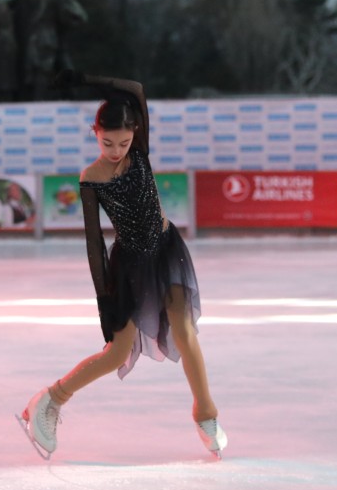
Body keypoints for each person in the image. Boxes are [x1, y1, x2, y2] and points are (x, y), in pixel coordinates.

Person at [17, 72, 227, 459]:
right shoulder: (90, 179)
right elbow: (95, 245)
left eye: (124, 142)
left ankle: (205, 412)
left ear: (135, 135)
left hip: (166, 252)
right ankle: (48, 401)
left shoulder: (140, 151)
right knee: (116, 352)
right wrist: (104, 300)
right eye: (108, 142)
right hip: (129, 267)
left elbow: (135, 90)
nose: (116, 149)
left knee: (183, 330)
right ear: (94, 133)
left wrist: (81, 80)